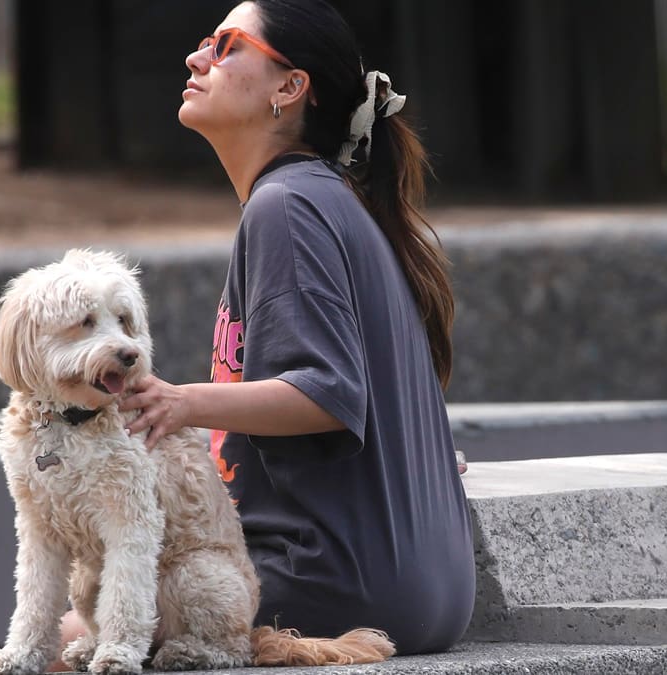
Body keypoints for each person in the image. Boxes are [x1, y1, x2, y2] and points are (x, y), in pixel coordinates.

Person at [108, 0, 473, 659]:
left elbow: (327, 393)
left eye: (226, 47)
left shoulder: (288, 206)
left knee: (79, 631)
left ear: (289, 87)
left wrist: (179, 400)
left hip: (334, 585)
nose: (197, 59)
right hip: (419, 594)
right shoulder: (326, 198)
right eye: (203, 44)